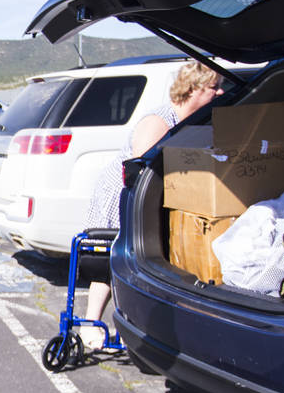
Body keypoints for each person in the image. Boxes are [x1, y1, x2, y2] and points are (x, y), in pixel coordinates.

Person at [79, 61, 223, 352]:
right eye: (214, 87)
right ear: (193, 88)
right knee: (110, 260)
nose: (220, 92)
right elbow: (141, 171)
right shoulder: (159, 121)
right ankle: (89, 324)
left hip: (151, 199)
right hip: (123, 195)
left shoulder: (190, 121)